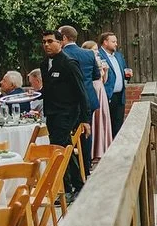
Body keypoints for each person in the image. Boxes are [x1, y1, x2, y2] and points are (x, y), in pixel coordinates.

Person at [40, 30, 89, 196]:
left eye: (50, 41)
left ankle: (66, 189)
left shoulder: (69, 63)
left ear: (60, 42)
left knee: (58, 149)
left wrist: (85, 119)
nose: (46, 45)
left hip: (67, 113)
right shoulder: (44, 63)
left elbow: (82, 92)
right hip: (51, 113)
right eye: (44, 42)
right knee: (65, 148)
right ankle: (79, 185)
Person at [58, 26, 101, 175]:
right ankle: (87, 166)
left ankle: (74, 172)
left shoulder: (61, 55)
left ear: (64, 38)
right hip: (89, 99)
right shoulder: (89, 54)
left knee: (68, 136)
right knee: (86, 133)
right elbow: (96, 76)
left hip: (70, 102)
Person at [81, 41, 113, 162]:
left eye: (96, 50)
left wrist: (106, 71)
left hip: (101, 89)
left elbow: (103, 80)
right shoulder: (87, 61)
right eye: (93, 50)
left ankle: (103, 148)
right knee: (95, 119)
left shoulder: (99, 60)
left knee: (103, 117)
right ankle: (94, 151)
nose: (96, 52)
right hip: (93, 88)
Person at [98, 32, 130, 138]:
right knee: (107, 127)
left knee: (118, 125)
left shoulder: (118, 56)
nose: (116, 44)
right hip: (107, 96)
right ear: (105, 42)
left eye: (116, 41)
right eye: (113, 41)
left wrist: (128, 75)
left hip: (120, 96)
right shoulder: (98, 55)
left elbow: (124, 71)